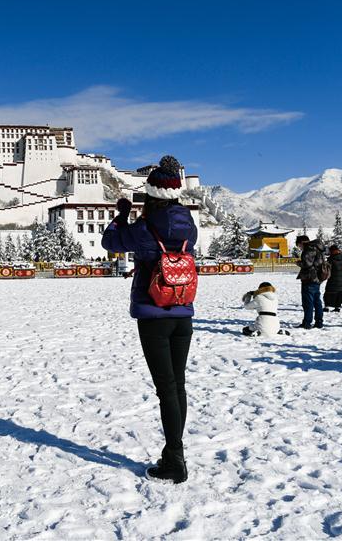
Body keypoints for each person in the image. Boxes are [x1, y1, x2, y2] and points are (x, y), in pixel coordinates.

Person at [101, 155, 197, 484]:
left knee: (165, 389)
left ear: (151, 195)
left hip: (153, 313)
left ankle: (175, 459)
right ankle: (175, 453)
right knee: (178, 386)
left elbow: (110, 242)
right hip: (182, 310)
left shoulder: (144, 228)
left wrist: (122, 215)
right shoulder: (189, 225)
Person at [295, 235, 326, 329]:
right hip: (317, 278)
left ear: (302, 242)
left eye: (299, 246)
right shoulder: (318, 248)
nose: (300, 248)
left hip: (309, 278)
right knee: (317, 301)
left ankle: (307, 322)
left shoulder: (309, 249)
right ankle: (319, 322)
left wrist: (298, 262)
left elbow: (307, 264)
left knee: (308, 302)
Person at [323, 245, 342, 312]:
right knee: (338, 293)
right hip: (341, 279)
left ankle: (326, 307)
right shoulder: (341, 258)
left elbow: (327, 269)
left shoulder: (331, 259)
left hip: (333, 279)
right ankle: (337, 307)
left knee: (328, 293)